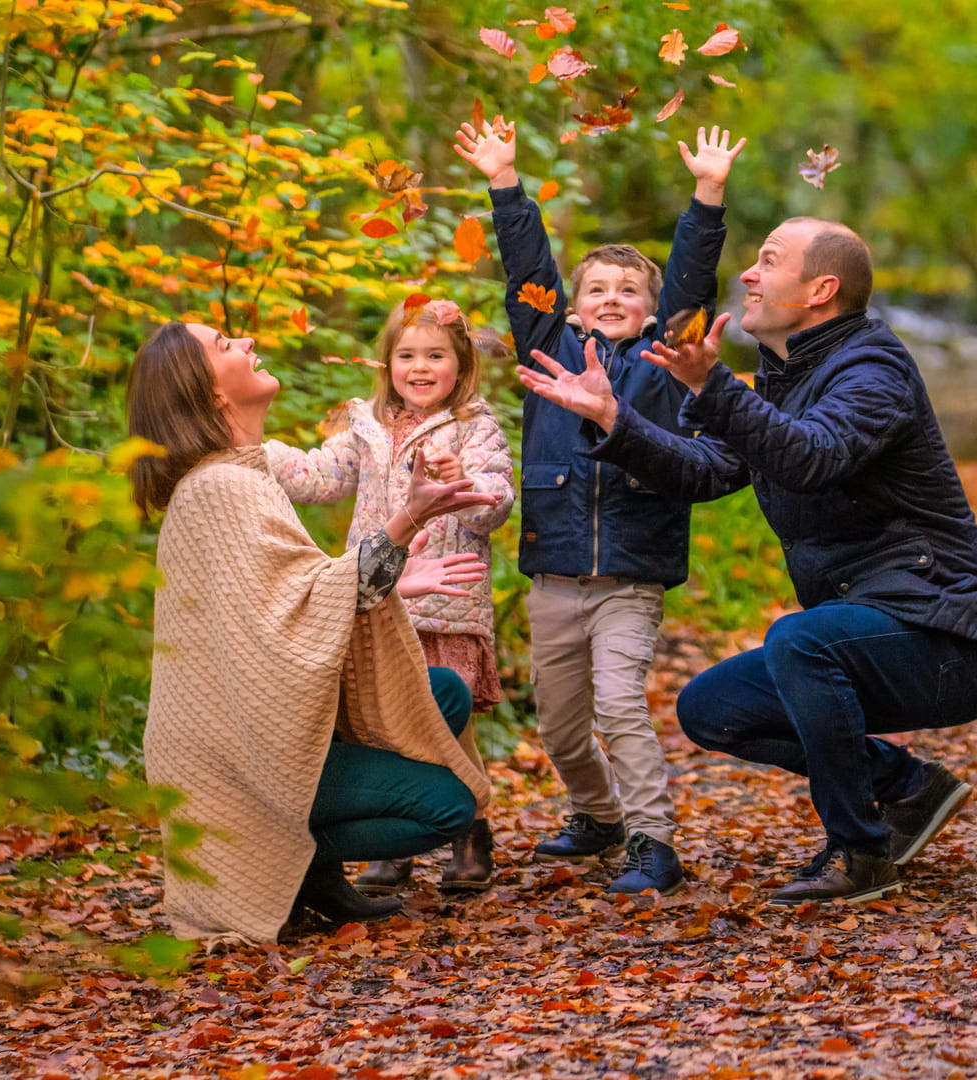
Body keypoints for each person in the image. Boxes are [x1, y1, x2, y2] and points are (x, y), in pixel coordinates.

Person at [516, 217, 977, 904]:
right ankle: (906, 788)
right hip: (870, 630)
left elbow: (812, 454)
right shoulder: (788, 380)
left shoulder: (873, 370)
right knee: (712, 709)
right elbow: (704, 470)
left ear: (821, 289)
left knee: (800, 639)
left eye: (767, 262)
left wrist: (716, 387)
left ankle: (860, 851)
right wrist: (617, 422)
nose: (749, 276)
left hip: (951, 637)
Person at [128, 320, 504, 943]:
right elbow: (283, 625)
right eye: (226, 346)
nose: (247, 342)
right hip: (237, 760)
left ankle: (315, 866)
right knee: (448, 806)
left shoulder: (245, 475)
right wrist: (408, 517)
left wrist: (395, 580)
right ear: (213, 393)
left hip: (271, 726)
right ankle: (283, 855)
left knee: (443, 695)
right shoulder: (220, 489)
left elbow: (289, 598)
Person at [452, 118, 745, 894]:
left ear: (650, 313)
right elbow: (528, 274)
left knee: (619, 706)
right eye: (597, 291)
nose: (611, 299)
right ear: (574, 310)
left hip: (629, 576)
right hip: (553, 578)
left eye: (628, 291)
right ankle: (598, 814)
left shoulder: (661, 355)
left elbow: (689, 282)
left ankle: (652, 841)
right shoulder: (549, 344)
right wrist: (505, 183)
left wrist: (707, 195)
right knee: (559, 726)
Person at [264, 297, 515, 896]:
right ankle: (394, 840)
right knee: (377, 723)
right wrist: (260, 453)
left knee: (444, 724)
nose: (420, 367)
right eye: (407, 355)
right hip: (380, 602)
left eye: (436, 356)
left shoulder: (473, 426)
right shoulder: (366, 426)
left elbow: (497, 503)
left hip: (445, 607)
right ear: (387, 364)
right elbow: (322, 478)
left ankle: (471, 832)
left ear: (462, 367)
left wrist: (463, 483)